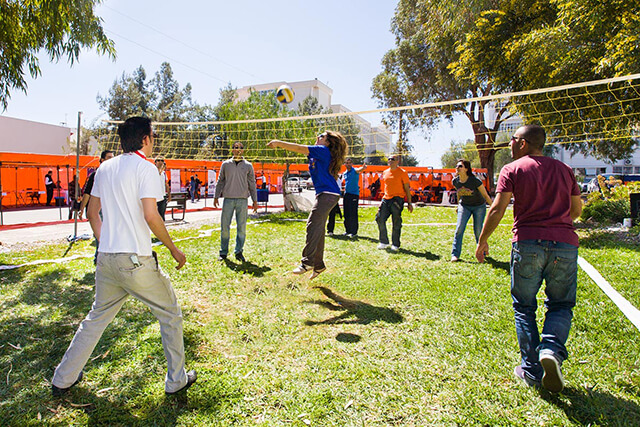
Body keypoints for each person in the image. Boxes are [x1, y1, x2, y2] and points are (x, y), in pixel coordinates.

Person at [51, 116, 196, 397]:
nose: (154, 141)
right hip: (135, 261)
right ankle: (176, 380)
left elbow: (92, 214)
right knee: (170, 313)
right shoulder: (147, 168)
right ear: (145, 139)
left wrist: (106, 243)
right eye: (153, 136)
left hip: (106, 259)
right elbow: (151, 216)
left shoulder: (105, 168)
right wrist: (174, 249)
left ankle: (63, 378)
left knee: (96, 318)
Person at [475, 124, 582, 393]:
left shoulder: (512, 169)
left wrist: (482, 240)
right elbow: (576, 211)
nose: (509, 145)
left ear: (522, 143)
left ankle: (532, 370)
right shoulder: (565, 170)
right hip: (565, 245)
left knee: (524, 307)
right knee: (561, 304)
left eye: (512, 140)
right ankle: (552, 351)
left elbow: (498, 208)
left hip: (528, 243)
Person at [267, 131, 347, 279]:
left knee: (312, 224)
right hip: (325, 194)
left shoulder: (323, 150)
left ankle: (308, 262)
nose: (317, 137)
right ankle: (319, 265)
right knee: (318, 228)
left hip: (328, 194)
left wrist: (278, 143)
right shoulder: (318, 153)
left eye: (321, 136)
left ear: (328, 142)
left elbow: (299, 148)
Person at [214, 142, 259, 262]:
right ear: (232, 150)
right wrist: (216, 196)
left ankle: (239, 252)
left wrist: (255, 200)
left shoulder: (248, 166)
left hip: (242, 200)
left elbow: (252, 184)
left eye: (240, 148)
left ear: (243, 150)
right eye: (235, 147)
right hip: (228, 199)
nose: (237, 149)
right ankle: (223, 253)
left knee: (242, 227)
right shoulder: (226, 164)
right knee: (224, 227)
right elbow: (220, 181)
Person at [450, 159, 492, 262]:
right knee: (459, 228)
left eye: (460, 166)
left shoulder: (475, 180)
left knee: (478, 230)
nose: (457, 168)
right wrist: (458, 205)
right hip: (464, 206)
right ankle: (455, 254)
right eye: (457, 166)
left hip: (479, 206)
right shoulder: (455, 181)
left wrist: (493, 207)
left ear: (466, 169)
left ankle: (482, 250)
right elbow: (459, 193)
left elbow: (485, 195)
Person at [376, 155, 413, 251]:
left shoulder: (402, 173)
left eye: (392, 159)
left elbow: (407, 189)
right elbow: (386, 187)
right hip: (386, 199)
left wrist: (409, 203)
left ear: (397, 161)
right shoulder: (385, 172)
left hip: (397, 199)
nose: (390, 161)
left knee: (396, 221)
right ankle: (384, 241)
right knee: (379, 218)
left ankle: (395, 244)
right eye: (389, 159)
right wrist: (382, 200)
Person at [78, 150, 115, 219]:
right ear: (102, 160)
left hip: (112, 209)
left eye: (113, 158)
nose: (112, 160)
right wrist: (82, 208)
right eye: (109, 158)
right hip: (99, 208)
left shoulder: (115, 174)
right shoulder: (95, 175)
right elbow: (87, 192)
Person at [343, 158, 366, 237]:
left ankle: (354, 232)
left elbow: (359, 170)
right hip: (346, 194)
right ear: (344, 164)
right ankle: (347, 230)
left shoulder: (355, 171)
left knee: (353, 213)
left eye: (349, 163)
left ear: (352, 164)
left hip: (354, 195)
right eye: (347, 163)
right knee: (346, 213)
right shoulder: (345, 173)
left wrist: (363, 168)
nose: (348, 164)